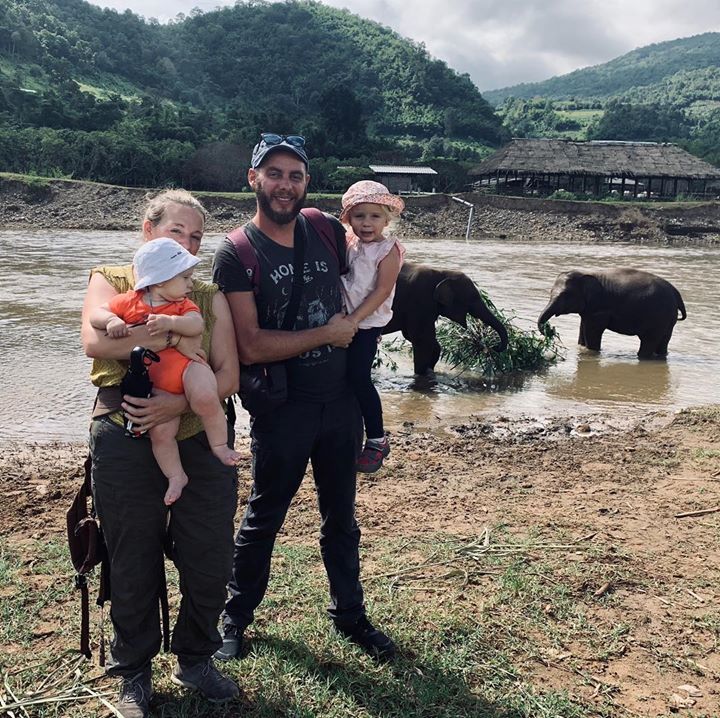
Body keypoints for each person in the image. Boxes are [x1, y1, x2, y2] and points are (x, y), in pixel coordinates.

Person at [212, 133, 397, 662]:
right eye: (274, 174)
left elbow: (373, 252)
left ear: (307, 184)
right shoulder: (237, 252)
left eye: (295, 175)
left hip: (340, 404)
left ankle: (351, 616)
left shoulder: (323, 228)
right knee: (265, 515)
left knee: (341, 517)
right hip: (283, 408)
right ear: (254, 179)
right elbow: (250, 344)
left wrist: (391, 261)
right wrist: (329, 335)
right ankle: (234, 619)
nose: (285, 185)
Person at [81, 189, 241, 718]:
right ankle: (133, 671)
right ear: (148, 231)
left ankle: (196, 657)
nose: (190, 244)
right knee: (131, 555)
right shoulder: (112, 280)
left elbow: (229, 374)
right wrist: (161, 343)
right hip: (123, 432)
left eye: (197, 236)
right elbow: (96, 343)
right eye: (178, 232)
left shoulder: (209, 294)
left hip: (196, 429)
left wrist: (174, 404)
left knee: (210, 553)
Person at [89, 238, 242, 505]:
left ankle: (219, 446)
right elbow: (96, 315)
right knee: (161, 434)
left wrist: (171, 322)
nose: (190, 284)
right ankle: (175, 476)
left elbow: (195, 325)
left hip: (188, 368)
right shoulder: (130, 302)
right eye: (184, 278)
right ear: (159, 280)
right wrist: (112, 320)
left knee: (206, 397)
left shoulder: (182, 305)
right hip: (158, 382)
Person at [339, 180, 405, 473]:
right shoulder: (348, 244)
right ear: (348, 219)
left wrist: (354, 320)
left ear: (387, 219)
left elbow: (381, 290)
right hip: (342, 322)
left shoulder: (388, 250)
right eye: (359, 216)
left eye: (374, 216)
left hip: (365, 325)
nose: (366, 223)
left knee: (359, 377)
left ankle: (377, 439)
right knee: (340, 377)